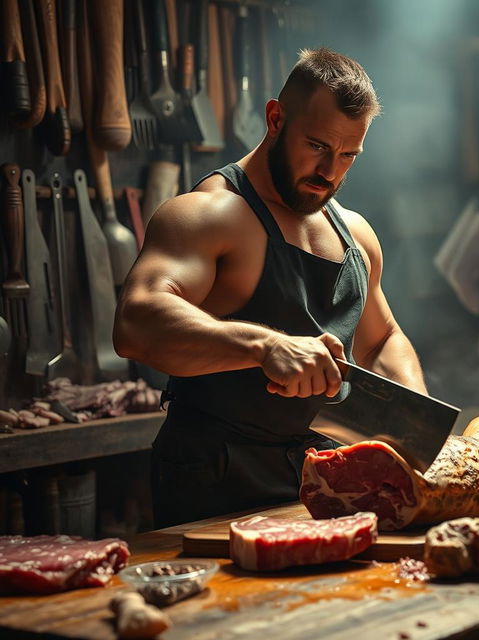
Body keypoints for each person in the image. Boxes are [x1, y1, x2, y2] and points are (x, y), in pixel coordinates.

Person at [114, 47, 428, 528]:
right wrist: (263, 345)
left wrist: (413, 429)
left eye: (349, 155)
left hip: (321, 482)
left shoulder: (356, 235)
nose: (331, 172)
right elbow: (136, 320)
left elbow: (383, 338)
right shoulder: (210, 214)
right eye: (318, 146)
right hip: (216, 481)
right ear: (276, 119)